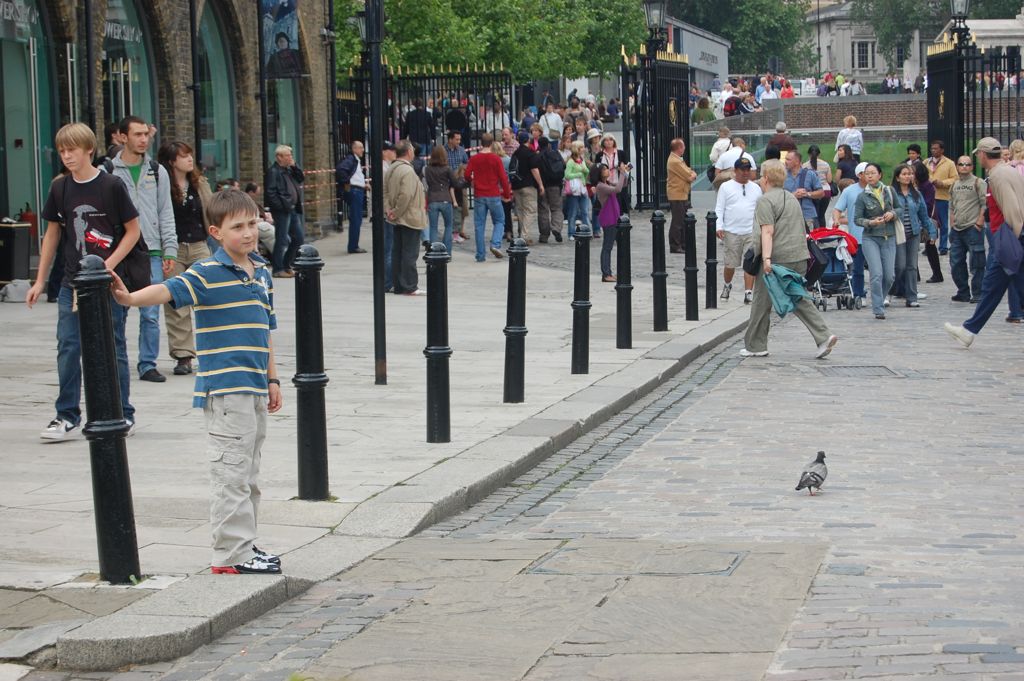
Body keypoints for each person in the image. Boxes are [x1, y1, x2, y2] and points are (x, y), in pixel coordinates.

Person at [110, 189, 283, 575]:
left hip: (254, 387)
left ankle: (245, 543)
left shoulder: (262, 273)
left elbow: (266, 329)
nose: (248, 233)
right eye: (237, 227)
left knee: (249, 475)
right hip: (226, 391)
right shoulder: (206, 273)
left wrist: (273, 379)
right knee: (231, 474)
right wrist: (129, 299)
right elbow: (167, 290)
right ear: (216, 232)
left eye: (252, 223)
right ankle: (230, 556)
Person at [26, 123, 140, 441]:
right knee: (68, 346)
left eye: (72, 150)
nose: (67, 156)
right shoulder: (60, 188)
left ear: (88, 149)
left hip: (108, 282)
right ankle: (66, 415)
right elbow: (52, 234)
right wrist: (40, 281)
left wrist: (107, 266)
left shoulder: (112, 186)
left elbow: (133, 230)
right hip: (71, 283)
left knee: (112, 346)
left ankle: (121, 411)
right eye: (62, 151)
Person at [741, 159, 837, 358]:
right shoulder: (791, 197)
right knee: (797, 296)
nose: (759, 179)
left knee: (761, 301)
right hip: (798, 256)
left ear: (766, 178)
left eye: (761, 176)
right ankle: (823, 336)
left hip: (777, 258)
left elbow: (767, 231)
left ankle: (755, 346)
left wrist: (766, 259)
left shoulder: (765, 200)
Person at [106, 115, 177, 384]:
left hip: (152, 251)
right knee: (118, 310)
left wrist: (169, 249)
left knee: (151, 312)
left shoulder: (157, 171)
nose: (144, 139)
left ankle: (148, 364)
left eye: (146, 134)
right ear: (122, 137)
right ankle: (117, 360)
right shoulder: (108, 171)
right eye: (137, 134)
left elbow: (165, 212)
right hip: (121, 251)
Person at [945, 137, 1024, 346]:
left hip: (1007, 238)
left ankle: (969, 330)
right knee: (994, 286)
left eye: (977, 154)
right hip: (1008, 237)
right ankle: (969, 329)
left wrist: (1012, 241)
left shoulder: (998, 176)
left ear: (982, 154)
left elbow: (1012, 208)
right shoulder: (1007, 171)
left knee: (996, 285)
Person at [156, 141, 213, 376]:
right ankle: (183, 355)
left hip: (199, 245)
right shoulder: (161, 185)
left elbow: (212, 212)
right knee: (176, 301)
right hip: (173, 248)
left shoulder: (199, 183)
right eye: (183, 156)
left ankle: (212, 349)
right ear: (172, 161)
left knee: (208, 296)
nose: (189, 160)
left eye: (190, 155)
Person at [854, 163, 898, 319]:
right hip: (870, 237)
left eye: (873, 173)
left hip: (889, 236)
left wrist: (892, 214)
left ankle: (880, 296)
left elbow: (899, 208)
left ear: (880, 174)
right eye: (867, 173)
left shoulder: (889, 191)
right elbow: (857, 219)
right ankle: (878, 307)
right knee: (876, 274)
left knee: (889, 276)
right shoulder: (862, 196)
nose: (870, 176)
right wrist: (870, 222)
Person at [715, 157, 762, 304]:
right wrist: (719, 225)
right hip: (732, 230)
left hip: (750, 231)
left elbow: (760, 209)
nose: (746, 173)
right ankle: (727, 284)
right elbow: (719, 208)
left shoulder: (755, 188)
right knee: (730, 263)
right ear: (735, 171)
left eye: (748, 170)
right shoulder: (726, 187)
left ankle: (748, 292)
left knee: (750, 263)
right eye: (743, 170)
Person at [384, 141, 427, 295]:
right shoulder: (407, 171)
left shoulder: (391, 169)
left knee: (398, 252)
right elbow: (406, 195)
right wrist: (396, 211)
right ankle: (409, 286)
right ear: (409, 151)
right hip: (409, 217)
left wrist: (389, 210)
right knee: (410, 253)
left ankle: (399, 284)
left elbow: (385, 193)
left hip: (396, 218)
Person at [890, 163, 936, 309]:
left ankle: (911, 297)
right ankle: (890, 290)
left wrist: (932, 232)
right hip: (898, 234)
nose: (907, 176)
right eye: (904, 174)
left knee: (912, 267)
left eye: (909, 174)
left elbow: (924, 215)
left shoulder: (916, 194)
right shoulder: (891, 194)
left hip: (913, 233)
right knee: (900, 266)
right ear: (897, 177)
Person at [465, 132, 512, 261]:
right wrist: (507, 194)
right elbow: (503, 178)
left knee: (479, 225)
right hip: (494, 194)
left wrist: (473, 179)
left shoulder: (474, 158)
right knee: (499, 220)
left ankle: (480, 255)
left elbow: (467, 174)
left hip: (479, 194)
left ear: (481, 143)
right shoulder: (496, 159)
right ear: (491, 144)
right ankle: (495, 243)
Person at [949, 155, 988, 303]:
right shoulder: (954, 184)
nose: (964, 167)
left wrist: (979, 223)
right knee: (956, 263)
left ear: (972, 167)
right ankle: (963, 292)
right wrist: (952, 223)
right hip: (957, 230)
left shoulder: (978, 182)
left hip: (973, 228)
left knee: (977, 264)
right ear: (957, 166)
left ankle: (978, 293)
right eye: (961, 164)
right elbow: (951, 206)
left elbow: (985, 204)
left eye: (967, 164)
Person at [832, 161, 870, 305]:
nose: (871, 176)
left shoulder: (881, 189)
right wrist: (836, 220)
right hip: (857, 237)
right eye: (867, 173)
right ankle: (859, 293)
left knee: (879, 269)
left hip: (877, 235)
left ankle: (883, 293)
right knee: (858, 268)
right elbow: (837, 209)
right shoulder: (849, 191)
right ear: (860, 175)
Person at [265, 144, 304, 277]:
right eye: (288, 155)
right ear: (279, 157)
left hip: (292, 209)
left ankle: (287, 264)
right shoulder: (273, 171)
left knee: (298, 238)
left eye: (290, 155)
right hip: (283, 210)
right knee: (281, 240)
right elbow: (271, 193)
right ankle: (278, 269)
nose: (290, 157)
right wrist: (281, 206)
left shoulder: (288, 170)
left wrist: (295, 166)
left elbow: (300, 178)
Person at [592, 161, 630, 282]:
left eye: (607, 169)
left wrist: (626, 173)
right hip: (608, 218)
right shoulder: (600, 186)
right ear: (599, 173)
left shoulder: (606, 183)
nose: (607, 171)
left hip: (614, 217)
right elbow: (618, 189)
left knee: (617, 245)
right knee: (607, 247)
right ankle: (606, 273)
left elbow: (622, 185)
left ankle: (614, 272)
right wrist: (622, 173)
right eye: (604, 169)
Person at [424, 145, 462, 256]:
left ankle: (434, 252)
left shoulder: (427, 169)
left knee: (433, 227)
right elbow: (455, 183)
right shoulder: (447, 169)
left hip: (433, 199)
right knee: (448, 226)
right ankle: (447, 252)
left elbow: (428, 183)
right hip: (445, 198)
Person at [510, 131, 542, 244]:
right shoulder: (530, 153)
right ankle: (524, 236)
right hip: (528, 185)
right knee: (531, 211)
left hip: (516, 186)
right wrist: (540, 185)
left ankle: (522, 234)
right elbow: (534, 170)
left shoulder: (515, 153)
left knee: (520, 211)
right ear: (528, 140)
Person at [914, 162, 944, 284]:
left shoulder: (927, 186)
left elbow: (928, 205)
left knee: (930, 246)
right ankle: (916, 274)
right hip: (920, 219)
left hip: (927, 220)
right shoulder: (917, 185)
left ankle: (937, 274)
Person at [336, 141, 368, 254]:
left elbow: (356, 175)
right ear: (354, 149)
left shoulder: (355, 160)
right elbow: (340, 171)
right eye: (360, 148)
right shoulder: (350, 159)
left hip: (357, 190)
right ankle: (353, 246)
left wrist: (364, 184)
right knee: (356, 219)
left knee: (356, 219)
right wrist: (347, 184)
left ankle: (354, 245)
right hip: (354, 191)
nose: (363, 150)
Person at [926, 140, 957, 255]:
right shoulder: (926, 162)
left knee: (943, 223)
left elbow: (955, 178)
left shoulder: (949, 163)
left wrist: (943, 183)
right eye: (932, 148)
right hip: (928, 196)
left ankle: (943, 246)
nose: (933, 150)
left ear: (942, 150)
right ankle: (929, 244)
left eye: (936, 148)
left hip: (942, 196)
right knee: (928, 222)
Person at [666, 138, 696, 254]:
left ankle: (682, 244)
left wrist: (691, 174)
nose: (684, 148)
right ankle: (675, 245)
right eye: (683, 146)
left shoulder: (677, 159)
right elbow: (689, 174)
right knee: (677, 222)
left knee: (682, 221)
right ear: (679, 148)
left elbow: (689, 171)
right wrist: (692, 174)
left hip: (681, 193)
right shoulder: (675, 161)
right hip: (677, 194)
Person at [783, 150, 824, 231]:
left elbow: (821, 193)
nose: (785, 162)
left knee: (808, 241)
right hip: (788, 216)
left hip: (807, 215)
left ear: (797, 162)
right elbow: (778, 195)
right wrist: (793, 195)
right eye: (785, 159)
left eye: (788, 159)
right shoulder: (782, 175)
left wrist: (807, 194)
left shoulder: (810, 174)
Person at [536, 137, 566, 243]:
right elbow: (563, 165)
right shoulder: (555, 154)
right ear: (548, 144)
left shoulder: (538, 156)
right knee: (556, 208)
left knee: (543, 210)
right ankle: (556, 228)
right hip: (555, 185)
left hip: (542, 186)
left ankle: (544, 235)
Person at [445, 131, 470, 242]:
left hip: (459, 182)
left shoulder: (461, 150)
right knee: (450, 207)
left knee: (463, 206)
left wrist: (462, 171)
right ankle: (451, 230)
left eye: (459, 139)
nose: (459, 142)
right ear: (450, 139)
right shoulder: (443, 150)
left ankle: (460, 229)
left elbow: (466, 162)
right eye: (457, 139)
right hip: (447, 182)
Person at [563, 141, 591, 239]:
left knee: (585, 211)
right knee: (573, 212)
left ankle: (587, 231)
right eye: (582, 147)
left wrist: (585, 172)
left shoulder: (582, 159)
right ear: (577, 149)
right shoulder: (570, 161)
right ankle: (571, 233)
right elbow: (567, 175)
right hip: (574, 189)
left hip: (582, 188)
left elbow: (586, 172)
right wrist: (578, 174)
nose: (584, 149)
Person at [803, 145, 833, 228]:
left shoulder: (805, 166)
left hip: (812, 192)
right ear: (819, 154)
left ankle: (816, 235)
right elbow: (829, 180)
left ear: (808, 154)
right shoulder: (825, 164)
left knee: (815, 215)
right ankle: (823, 234)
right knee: (821, 214)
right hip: (826, 192)